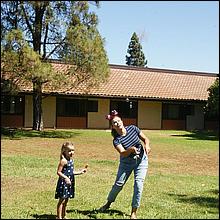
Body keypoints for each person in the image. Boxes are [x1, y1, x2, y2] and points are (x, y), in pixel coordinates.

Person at [99, 110, 151, 219]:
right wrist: (131, 150)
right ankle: (108, 203)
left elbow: (145, 138)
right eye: (114, 123)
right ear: (113, 127)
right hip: (126, 162)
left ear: (122, 121)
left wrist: (147, 145)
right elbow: (122, 153)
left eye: (118, 121)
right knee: (118, 184)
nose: (117, 123)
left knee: (138, 184)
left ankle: (133, 212)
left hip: (141, 160)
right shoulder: (116, 140)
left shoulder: (133, 128)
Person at [55, 141, 88, 219]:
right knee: (61, 201)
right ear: (64, 151)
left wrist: (80, 172)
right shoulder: (63, 161)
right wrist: (65, 178)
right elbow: (58, 172)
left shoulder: (71, 160)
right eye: (69, 150)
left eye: (73, 150)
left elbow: (70, 172)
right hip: (64, 183)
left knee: (66, 200)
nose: (71, 152)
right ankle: (59, 217)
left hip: (70, 182)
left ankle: (64, 215)